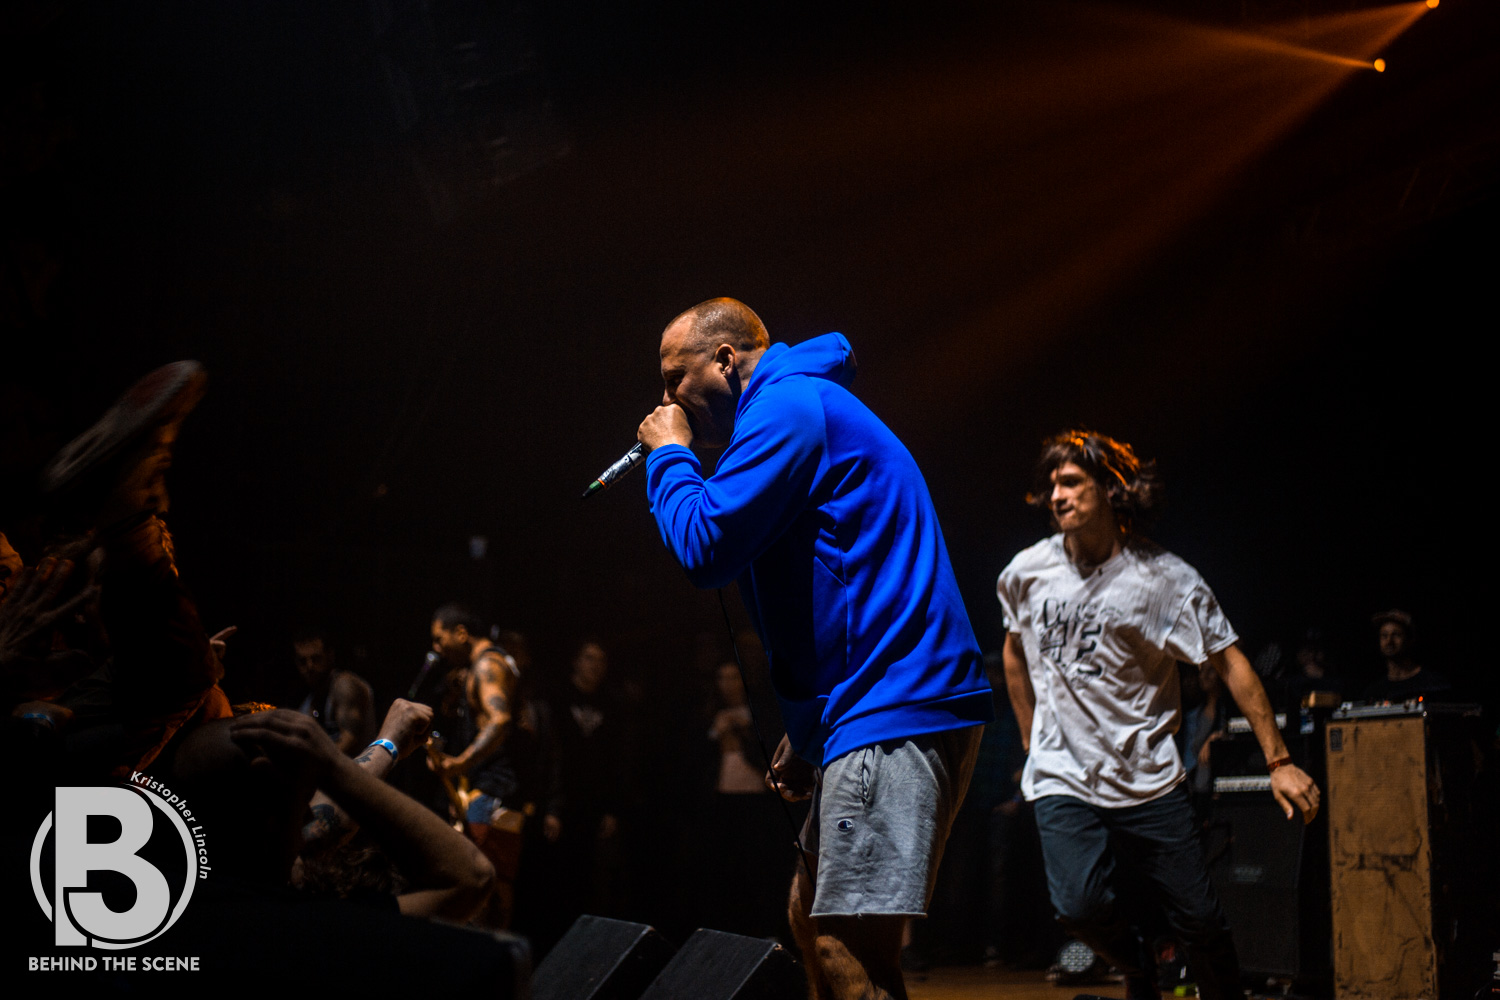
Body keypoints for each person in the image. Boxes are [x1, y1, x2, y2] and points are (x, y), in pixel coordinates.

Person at [636, 297, 992, 1000]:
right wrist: (809, 733)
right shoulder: (795, 405)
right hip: (875, 704)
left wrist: (670, 455)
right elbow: (833, 584)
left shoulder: (786, 409)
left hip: (891, 705)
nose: (668, 400)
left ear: (725, 360)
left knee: (846, 948)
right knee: (809, 917)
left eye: (676, 378)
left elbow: (706, 547)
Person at [995, 429, 1321, 1000]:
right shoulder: (1026, 572)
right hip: (1062, 773)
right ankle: (1142, 964)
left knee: (1200, 919)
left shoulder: (1165, 580)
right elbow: (1014, 651)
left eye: (1071, 482)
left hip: (1146, 776)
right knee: (1078, 908)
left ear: (1110, 489)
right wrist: (1030, 743)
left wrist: (1279, 761)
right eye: (1052, 485)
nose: (1056, 495)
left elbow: (1230, 662)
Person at [426, 602, 528, 927]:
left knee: (487, 890)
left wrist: (459, 763)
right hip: (485, 792)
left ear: (461, 633)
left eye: (440, 638)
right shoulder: (481, 667)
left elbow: (500, 720)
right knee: (486, 887)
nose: (436, 648)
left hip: (494, 793)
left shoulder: (488, 665)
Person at [292, 627, 376, 755]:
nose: (310, 666)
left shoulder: (345, 685)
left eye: (316, 659)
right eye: (303, 662)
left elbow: (350, 741)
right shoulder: (307, 705)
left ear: (330, 656)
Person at [1362, 609, 1452, 702]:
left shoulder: (1433, 685)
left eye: (1396, 635)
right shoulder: (1374, 693)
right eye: (1384, 635)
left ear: (1409, 639)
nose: (1389, 641)